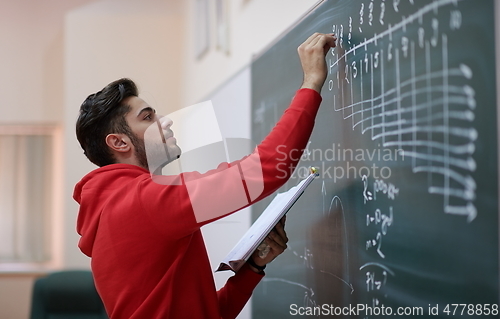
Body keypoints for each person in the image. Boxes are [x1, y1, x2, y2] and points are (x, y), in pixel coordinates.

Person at [73, 32, 337, 319]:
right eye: (148, 117)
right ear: (119, 143)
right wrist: (311, 82)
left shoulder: (114, 206)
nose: (165, 120)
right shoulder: (143, 200)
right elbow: (269, 168)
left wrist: (252, 268)